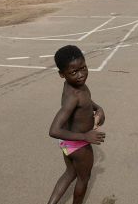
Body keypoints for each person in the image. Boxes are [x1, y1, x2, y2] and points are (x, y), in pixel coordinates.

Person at [47, 45, 106, 204]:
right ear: (62, 74)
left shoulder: (75, 86)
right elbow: (53, 130)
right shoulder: (74, 95)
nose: (81, 75)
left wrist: (98, 108)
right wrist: (85, 136)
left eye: (84, 68)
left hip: (67, 142)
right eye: (74, 72)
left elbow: (86, 101)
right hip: (78, 145)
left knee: (70, 173)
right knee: (83, 179)